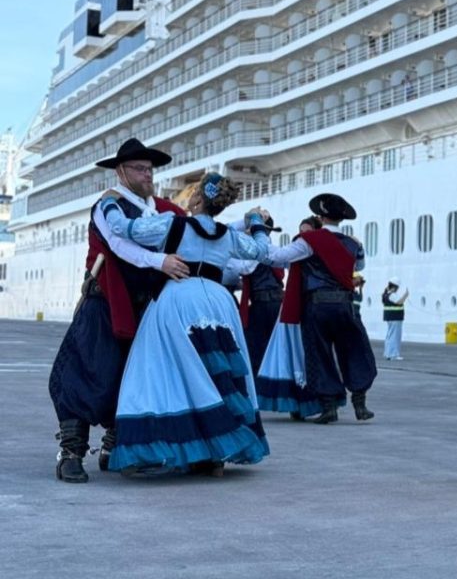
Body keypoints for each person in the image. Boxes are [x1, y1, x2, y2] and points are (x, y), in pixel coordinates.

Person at [100, 172, 274, 476]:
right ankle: (216, 452)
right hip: (219, 303)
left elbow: (124, 229)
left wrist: (110, 203)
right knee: (217, 373)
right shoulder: (229, 235)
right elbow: (261, 251)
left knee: (169, 373)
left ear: (195, 198)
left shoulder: (172, 223)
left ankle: (181, 444)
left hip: (180, 298)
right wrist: (257, 223)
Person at [46, 138, 190, 483]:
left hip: (147, 309)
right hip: (105, 302)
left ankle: (115, 448)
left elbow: (195, 236)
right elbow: (120, 246)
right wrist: (162, 261)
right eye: (140, 169)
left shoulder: (166, 210)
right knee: (86, 375)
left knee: (135, 379)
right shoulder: (108, 205)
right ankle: (71, 453)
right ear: (121, 172)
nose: (147, 175)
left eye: (150, 169)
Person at [265, 193, 378, 424]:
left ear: (320, 216)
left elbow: (277, 257)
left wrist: (259, 233)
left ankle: (329, 408)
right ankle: (360, 402)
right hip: (345, 304)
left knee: (320, 354)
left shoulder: (309, 241)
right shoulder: (354, 244)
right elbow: (359, 265)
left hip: (317, 305)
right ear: (342, 219)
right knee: (355, 349)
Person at [255, 217, 336, 421]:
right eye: (300, 231)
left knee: (306, 354)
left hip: (305, 307)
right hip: (294, 306)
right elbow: (275, 259)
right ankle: (302, 400)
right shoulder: (312, 249)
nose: (302, 236)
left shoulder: (307, 247)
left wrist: (259, 234)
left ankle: (315, 401)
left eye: (306, 231)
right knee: (293, 354)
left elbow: (275, 256)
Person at [226, 216, 285, 376]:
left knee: (256, 346)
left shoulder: (262, 249)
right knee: (268, 345)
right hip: (272, 302)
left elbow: (245, 269)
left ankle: (259, 381)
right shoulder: (273, 249)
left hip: (265, 304)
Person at [382, 278, 409, 360]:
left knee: (390, 336)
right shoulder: (392, 295)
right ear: (394, 287)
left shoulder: (386, 294)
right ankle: (393, 354)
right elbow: (399, 302)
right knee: (395, 336)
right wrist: (406, 295)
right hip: (395, 318)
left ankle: (388, 353)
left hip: (390, 317)